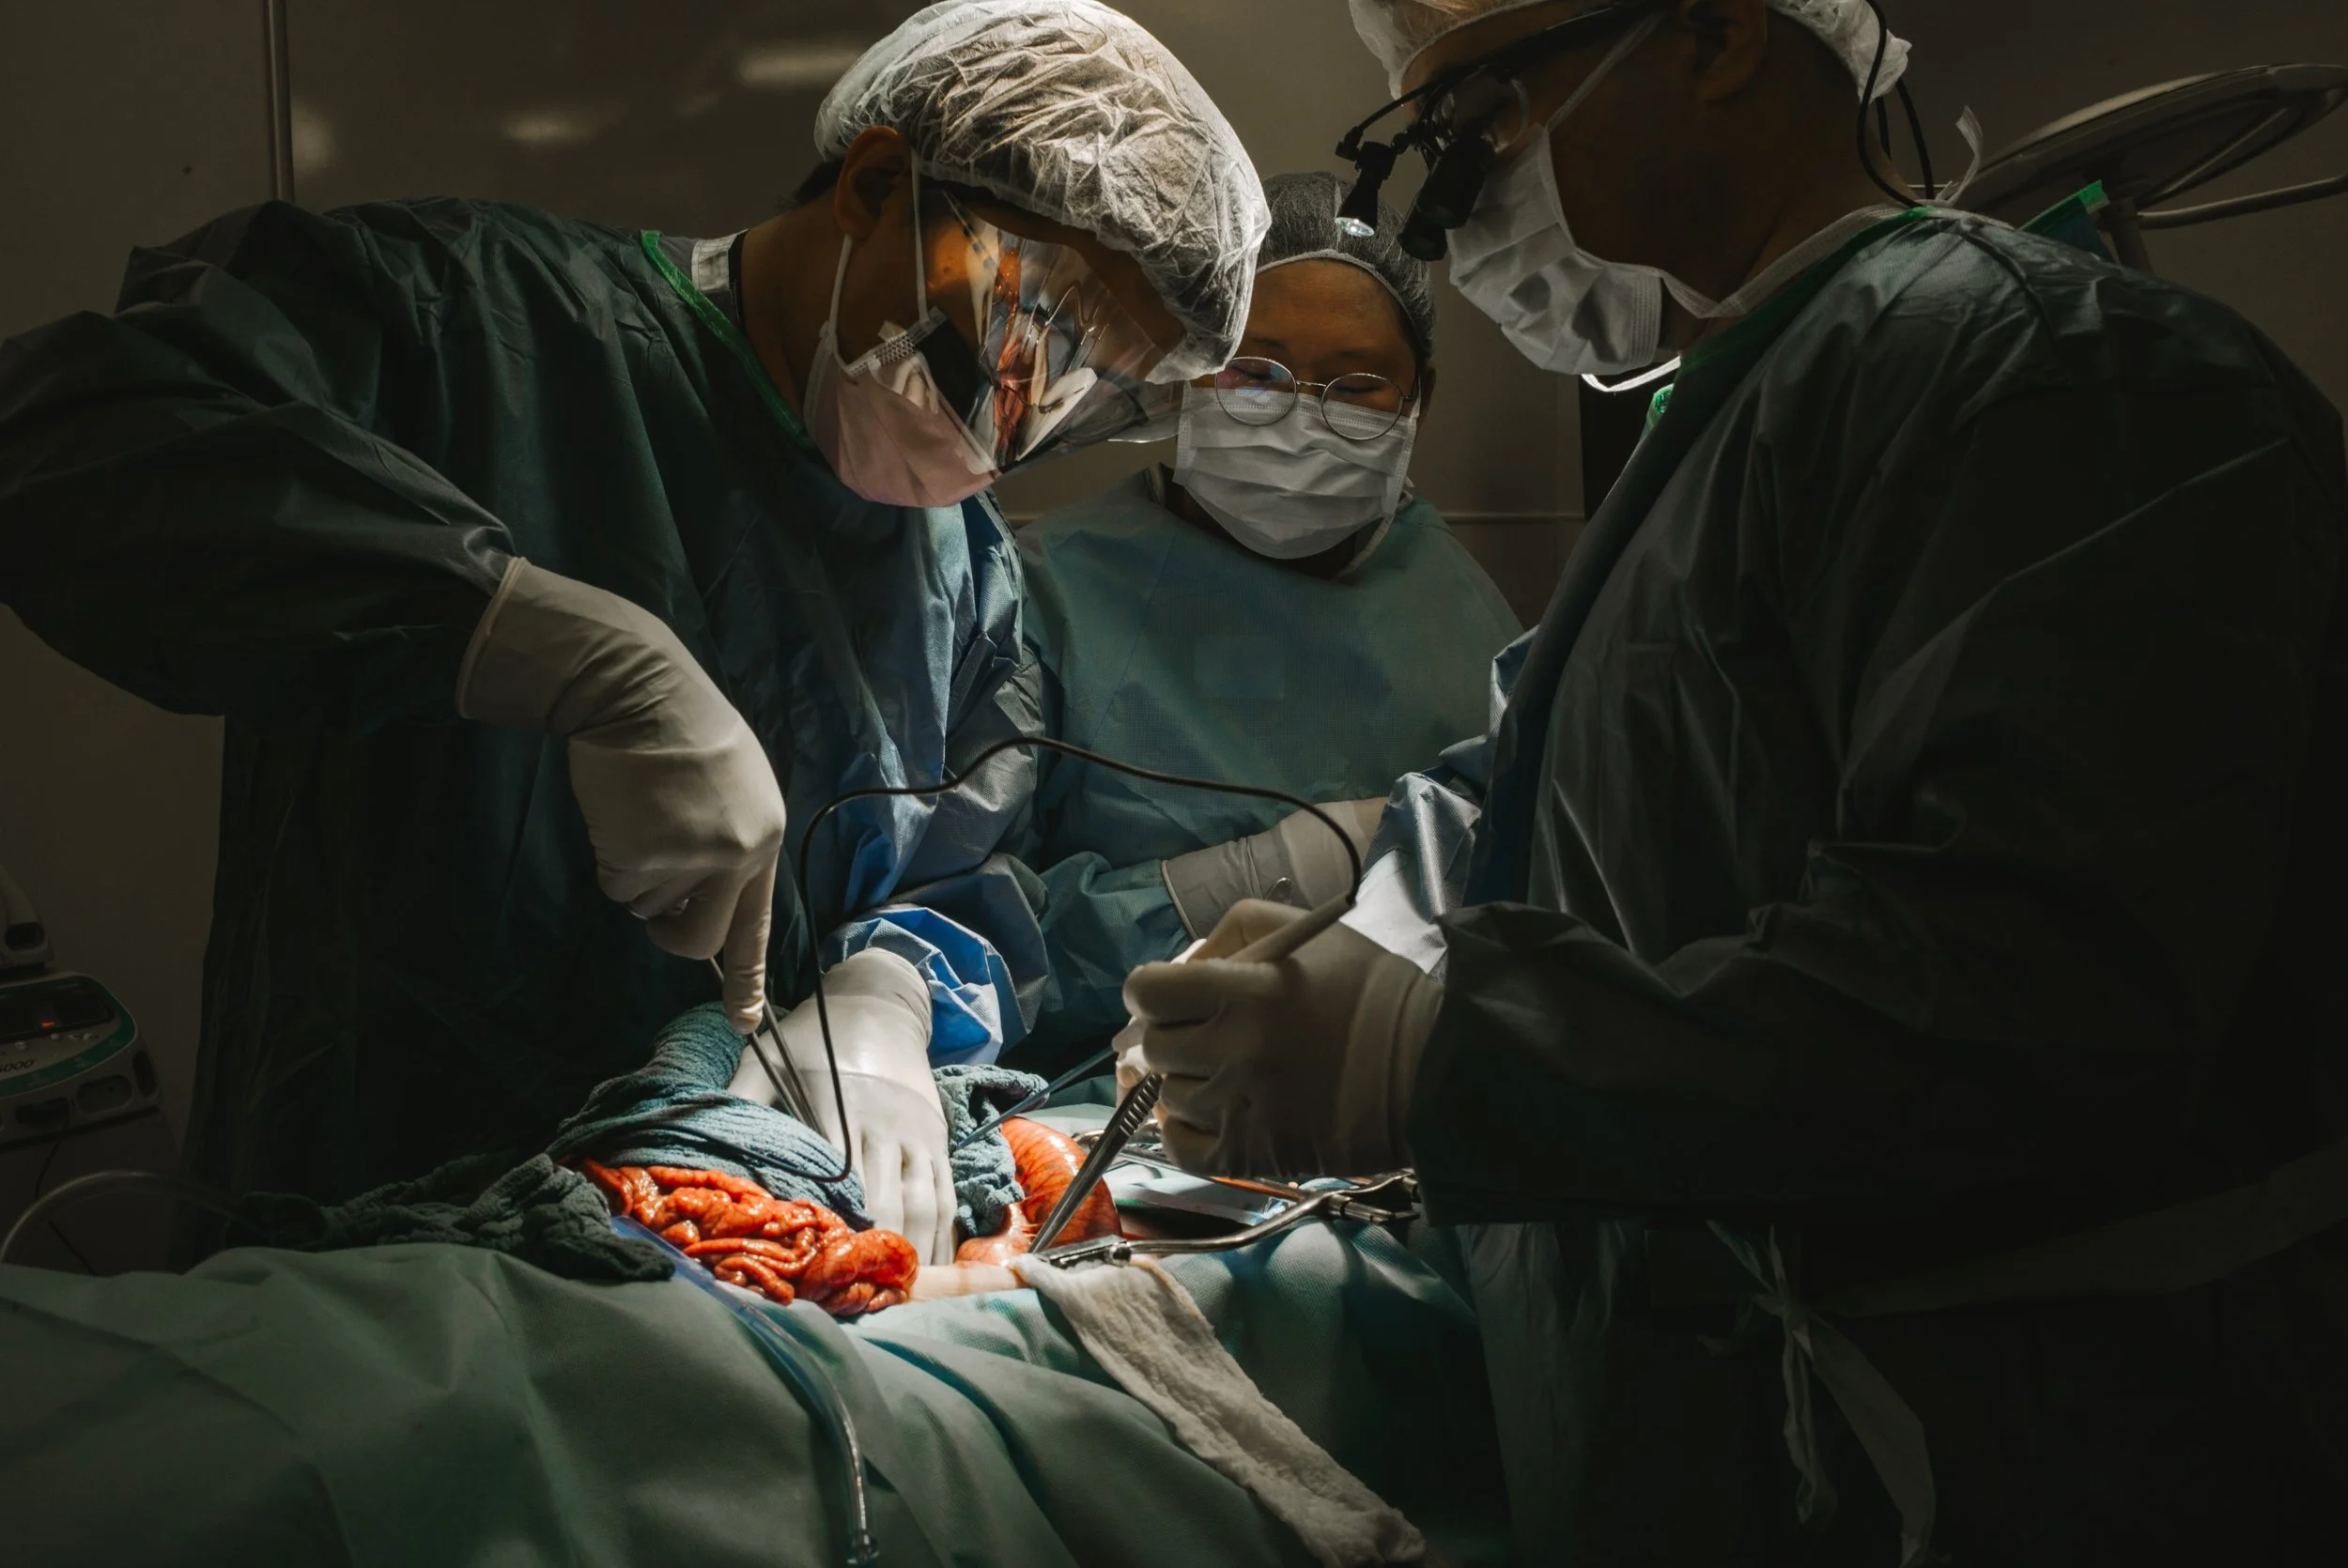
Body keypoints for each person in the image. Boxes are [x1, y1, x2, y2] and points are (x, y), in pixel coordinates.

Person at [1123, 0, 2348, 1560]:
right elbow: (1577, 773)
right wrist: (1369, 939)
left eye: (1479, 124)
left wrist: (1444, 1055)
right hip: (1734, 1445)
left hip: (2024, 1458)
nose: (1456, 205)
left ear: (1708, 36)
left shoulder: (2057, 378)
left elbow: (2031, 998)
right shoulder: (1744, 417)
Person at [0, 0, 1267, 1267]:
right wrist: (525, 629)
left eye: (1100, 382)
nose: (1029, 413)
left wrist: (886, 992)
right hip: (365, 1240)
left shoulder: (966, 563)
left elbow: (961, 870)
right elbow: (81, 438)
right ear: (880, 185)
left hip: (738, 1264)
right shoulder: (461, 324)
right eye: (1030, 319)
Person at [1006, 169, 1521, 1081]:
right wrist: (1270, 871)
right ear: (1188, 367)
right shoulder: (1055, 592)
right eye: (1256, 371)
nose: (1297, 413)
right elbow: (991, 939)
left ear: (1418, 398)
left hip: (1394, 1108)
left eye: (1356, 382)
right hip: (1102, 1104)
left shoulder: (1467, 618)